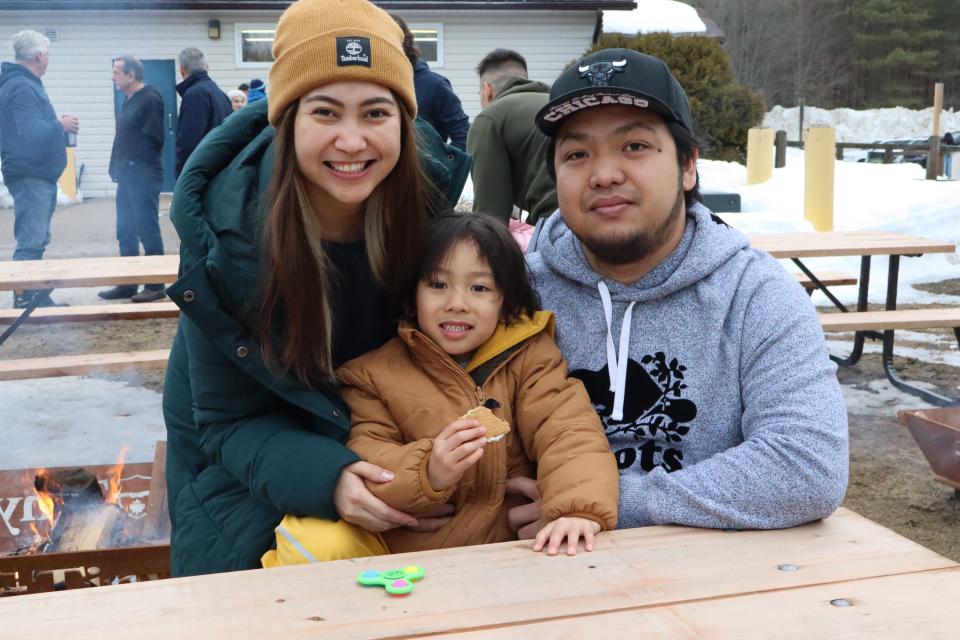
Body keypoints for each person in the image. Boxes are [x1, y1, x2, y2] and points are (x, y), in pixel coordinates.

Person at [162, 0, 470, 577]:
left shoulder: (428, 216)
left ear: (402, 123)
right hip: (245, 473)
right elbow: (227, 421)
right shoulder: (227, 240)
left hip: (387, 458)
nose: (352, 141)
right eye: (326, 112)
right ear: (288, 121)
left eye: (375, 113)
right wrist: (330, 478)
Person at [517, 48, 848, 534]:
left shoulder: (753, 293)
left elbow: (807, 466)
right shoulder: (517, 292)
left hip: (708, 568)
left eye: (634, 146)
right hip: (537, 562)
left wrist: (599, 501)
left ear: (688, 166)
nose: (604, 174)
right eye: (576, 154)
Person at [263, 213, 618, 566]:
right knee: (308, 537)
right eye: (438, 285)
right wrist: (429, 469)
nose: (456, 303)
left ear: (506, 301)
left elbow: (568, 432)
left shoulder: (530, 359)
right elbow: (368, 455)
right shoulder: (372, 376)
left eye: (479, 288)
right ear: (412, 295)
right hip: (407, 559)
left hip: (503, 556)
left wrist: (576, 509)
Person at [0, 30, 77, 308]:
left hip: (35, 172)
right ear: (39, 55)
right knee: (31, 238)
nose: (49, 59)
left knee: (37, 236)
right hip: (30, 173)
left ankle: (33, 294)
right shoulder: (22, 86)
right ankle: (24, 297)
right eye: (49, 54)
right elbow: (31, 130)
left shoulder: (24, 83)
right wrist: (61, 125)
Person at [98, 55, 167, 303]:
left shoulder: (150, 99)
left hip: (143, 175)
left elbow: (155, 139)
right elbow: (123, 138)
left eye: (117, 73)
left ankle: (155, 285)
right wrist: (116, 165)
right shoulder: (127, 100)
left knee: (146, 228)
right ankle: (128, 283)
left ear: (131, 75)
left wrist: (133, 164)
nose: (113, 77)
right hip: (126, 176)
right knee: (125, 230)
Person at [466, 49, 555, 225]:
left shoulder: (489, 118)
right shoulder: (558, 103)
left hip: (555, 217)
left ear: (487, 90)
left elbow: (490, 213)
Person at [391, 15, 469, 150]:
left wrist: (441, 162)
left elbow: (463, 135)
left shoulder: (435, 85)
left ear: (404, 44)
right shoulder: (373, 84)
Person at [174, 46, 231, 177]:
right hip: (220, 172)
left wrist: (182, 178)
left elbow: (188, 144)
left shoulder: (194, 95)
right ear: (207, 67)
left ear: (182, 70)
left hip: (201, 176)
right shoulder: (220, 94)